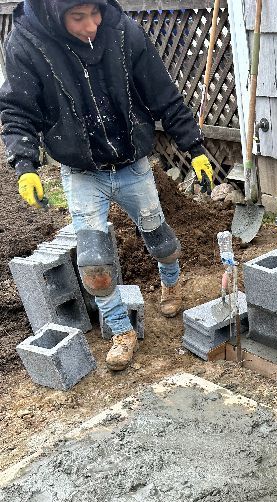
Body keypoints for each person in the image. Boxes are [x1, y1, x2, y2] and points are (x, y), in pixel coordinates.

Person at [0, 0, 214, 370]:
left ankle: (171, 283)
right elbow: (18, 109)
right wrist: (25, 165)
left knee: (162, 243)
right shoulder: (27, 43)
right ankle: (120, 329)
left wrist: (194, 148)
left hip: (132, 163)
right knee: (94, 261)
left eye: (95, 13)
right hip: (82, 172)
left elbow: (162, 93)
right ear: (55, 15)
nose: (91, 26)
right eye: (78, 17)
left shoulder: (123, 31)